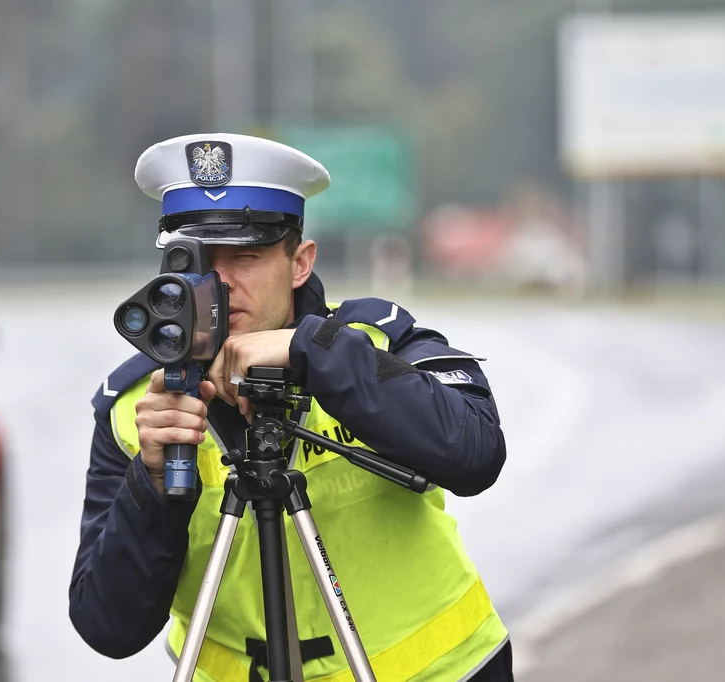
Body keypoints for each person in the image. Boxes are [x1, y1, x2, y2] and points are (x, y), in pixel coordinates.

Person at [70, 133, 513, 682]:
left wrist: (313, 351)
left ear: (299, 262)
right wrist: (153, 482)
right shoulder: (136, 407)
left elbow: (477, 452)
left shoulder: (375, 344)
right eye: (200, 261)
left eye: (246, 257)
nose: (220, 283)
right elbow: (108, 628)